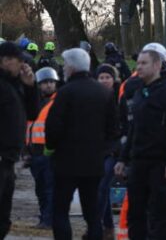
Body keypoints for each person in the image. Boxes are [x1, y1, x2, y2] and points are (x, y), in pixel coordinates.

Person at [114, 44, 166, 240]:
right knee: (136, 213)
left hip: (160, 163)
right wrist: (123, 159)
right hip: (138, 162)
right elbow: (133, 129)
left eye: (144, 63)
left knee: (161, 214)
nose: (139, 67)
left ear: (157, 65)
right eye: (138, 63)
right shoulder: (139, 93)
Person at [45, 48, 119, 240]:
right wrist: (105, 152)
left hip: (66, 162)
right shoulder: (105, 93)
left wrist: (52, 148)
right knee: (92, 213)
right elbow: (113, 129)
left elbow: (53, 127)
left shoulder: (65, 92)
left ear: (70, 67)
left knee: (60, 210)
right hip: (94, 163)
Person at [0, 41, 38, 239]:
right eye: (19, 61)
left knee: (4, 216)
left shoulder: (15, 85)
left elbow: (32, 113)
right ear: (5, 61)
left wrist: (30, 87)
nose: (23, 65)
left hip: (10, 157)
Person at [25, 67, 59, 230]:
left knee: (50, 188)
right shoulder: (34, 103)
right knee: (40, 189)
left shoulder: (58, 102)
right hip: (35, 153)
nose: (48, 85)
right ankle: (44, 217)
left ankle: (48, 219)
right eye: (45, 82)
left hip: (50, 152)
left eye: (51, 82)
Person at [93, 65, 120, 240]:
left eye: (107, 77)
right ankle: (109, 227)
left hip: (115, 151)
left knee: (102, 188)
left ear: (113, 79)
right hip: (97, 150)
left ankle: (97, 226)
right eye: (101, 77)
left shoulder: (120, 97)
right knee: (101, 189)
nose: (104, 80)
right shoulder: (93, 97)